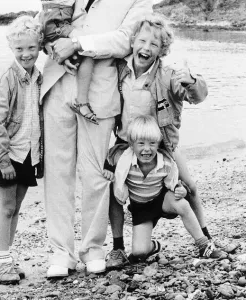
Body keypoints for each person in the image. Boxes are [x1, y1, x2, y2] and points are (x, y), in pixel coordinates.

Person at [39, 0, 153, 278]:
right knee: (58, 172)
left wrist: (77, 45)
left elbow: (127, 39)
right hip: (57, 83)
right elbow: (43, 22)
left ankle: (92, 249)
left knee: (95, 174)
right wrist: (54, 47)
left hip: (101, 92)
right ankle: (60, 252)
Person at [105, 14, 220, 270]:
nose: (146, 48)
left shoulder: (168, 75)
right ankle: (117, 247)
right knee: (112, 187)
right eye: (142, 41)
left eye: (154, 45)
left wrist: (192, 81)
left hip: (162, 146)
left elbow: (197, 95)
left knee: (189, 185)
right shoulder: (118, 70)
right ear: (133, 41)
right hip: (126, 145)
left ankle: (206, 239)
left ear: (161, 50)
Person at [103, 116, 226, 263]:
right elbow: (109, 157)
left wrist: (183, 191)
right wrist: (108, 169)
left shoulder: (165, 162)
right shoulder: (123, 159)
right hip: (140, 209)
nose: (147, 149)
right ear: (131, 144)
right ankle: (153, 246)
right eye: (141, 143)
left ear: (158, 143)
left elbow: (176, 183)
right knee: (139, 252)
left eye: (152, 144)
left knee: (180, 202)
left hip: (161, 201)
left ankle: (204, 245)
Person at [0, 15, 44, 285]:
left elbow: (37, 120)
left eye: (31, 47)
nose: (26, 54)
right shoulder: (6, 79)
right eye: (19, 49)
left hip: (27, 154)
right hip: (7, 155)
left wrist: (38, 157)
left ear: (40, 46)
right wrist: (2, 160)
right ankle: (1, 262)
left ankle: (7, 257)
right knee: (6, 207)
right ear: (11, 48)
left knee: (16, 208)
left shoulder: (39, 78)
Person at [38, 0, 98, 124]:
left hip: (55, 22)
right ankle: (82, 102)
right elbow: (39, 19)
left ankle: (82, 102)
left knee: (86, 47)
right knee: (87, 46)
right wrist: (47, 44)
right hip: (57, 24)